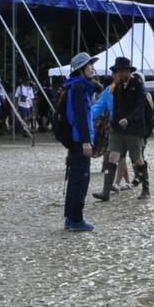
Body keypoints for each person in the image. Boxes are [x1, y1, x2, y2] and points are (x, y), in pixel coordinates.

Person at [92, 57, 151, 201]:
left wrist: (128, 119)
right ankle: (106, 191)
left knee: (137, 158)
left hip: (134, 129)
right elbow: (115, 106)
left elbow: (140, 108)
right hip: (117, 128)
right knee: (112, 157)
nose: (116, 74)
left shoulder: (138, 86)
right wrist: (114, 120)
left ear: (127, 71)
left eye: (118, 71)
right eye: (116, 71)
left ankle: (146, 189)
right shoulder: (116, 87)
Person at [60, 51, 98, 231]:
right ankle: (76, 219)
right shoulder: (79, 87)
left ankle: (71, 218)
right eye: (89, 65)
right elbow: (80, 115)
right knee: (80, 179)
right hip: (79, 139)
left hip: (76, 139)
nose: (92, 68)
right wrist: (85, 140)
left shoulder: (74, 86)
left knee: (76, 178)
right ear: (81, 69)